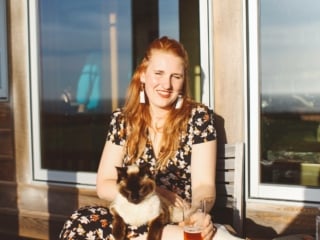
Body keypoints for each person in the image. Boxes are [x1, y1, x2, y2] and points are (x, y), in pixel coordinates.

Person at [59, 36, 242, 240]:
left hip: (178, 217)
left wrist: (196, 213)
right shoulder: (123, 120)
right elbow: (104, 185)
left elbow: (204, 186)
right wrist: (158, 193)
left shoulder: (198, 118)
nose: (166, 84)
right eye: (159, 73)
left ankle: (174, 233)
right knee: (81, 219)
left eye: (176, 76)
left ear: (183, 81)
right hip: (135, 214)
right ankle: (173, 236)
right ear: (143, 74)